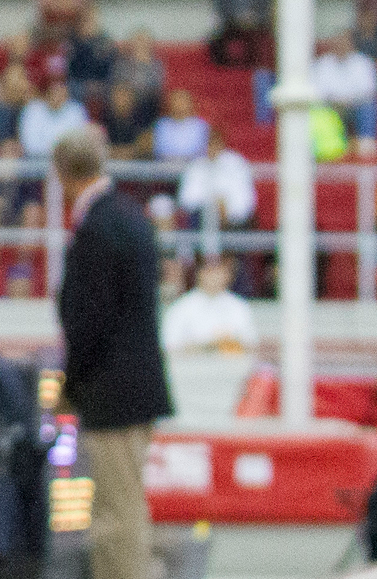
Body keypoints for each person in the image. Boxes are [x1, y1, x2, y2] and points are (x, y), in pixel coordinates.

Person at [52, 128, 170, 579]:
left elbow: (90, 319)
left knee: (116, 516)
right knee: (125, 506)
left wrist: (72, 381)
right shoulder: (127, 215)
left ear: (63, 174)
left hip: (114, 391)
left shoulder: (99, 226)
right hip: (132, 386)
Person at [161, 258, 256, 355]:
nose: (215, 277)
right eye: (210, 271)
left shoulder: (239, 306)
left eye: (220, 271)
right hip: (192, 365)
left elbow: (250, 343)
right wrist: (204, 347)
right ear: (199, 273)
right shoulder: (181, 307)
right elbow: (169, 345)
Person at [313, 32, 377, 144]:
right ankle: (332, 145)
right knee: (318, 111)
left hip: (356, 105)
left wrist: (350, 101)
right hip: (331, 106)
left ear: (351, 44)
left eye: (344, 42)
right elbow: (316, 91)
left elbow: (369, 90)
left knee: (369, 107)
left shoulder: (363, 62)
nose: (341, 45)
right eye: (338, 42)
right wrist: (335, 101)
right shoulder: (322, 64)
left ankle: (367, 144)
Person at [18, 76, 89, 166]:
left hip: (68, 164)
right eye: (54, 92)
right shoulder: (32, 109)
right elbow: (30, 145)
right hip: (36, 164)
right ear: (46, 94)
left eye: (61, 92)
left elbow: (78, 143)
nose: (57, 96)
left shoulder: (76, 111)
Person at [150, 89, 209, 163]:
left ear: (190, 103)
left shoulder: (200, 126)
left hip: (193, 168)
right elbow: (160, 149)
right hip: (166, 168)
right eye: (176, 101)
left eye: (182, 101)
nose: (179, 104)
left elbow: (200, 150)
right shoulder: (162, 125)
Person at [100, 82, 155, 160]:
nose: (122, 100)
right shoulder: (103, 118)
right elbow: (98, 147)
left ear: (133, 98)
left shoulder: (143, 118)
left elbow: (147, 144)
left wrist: (118, 153)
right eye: (118, 96)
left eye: (125, 96)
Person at [0, 64, 32, 145]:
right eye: (18, 79)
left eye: (23, 78)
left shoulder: (32, 109)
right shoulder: (0, 111)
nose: (22, 84)